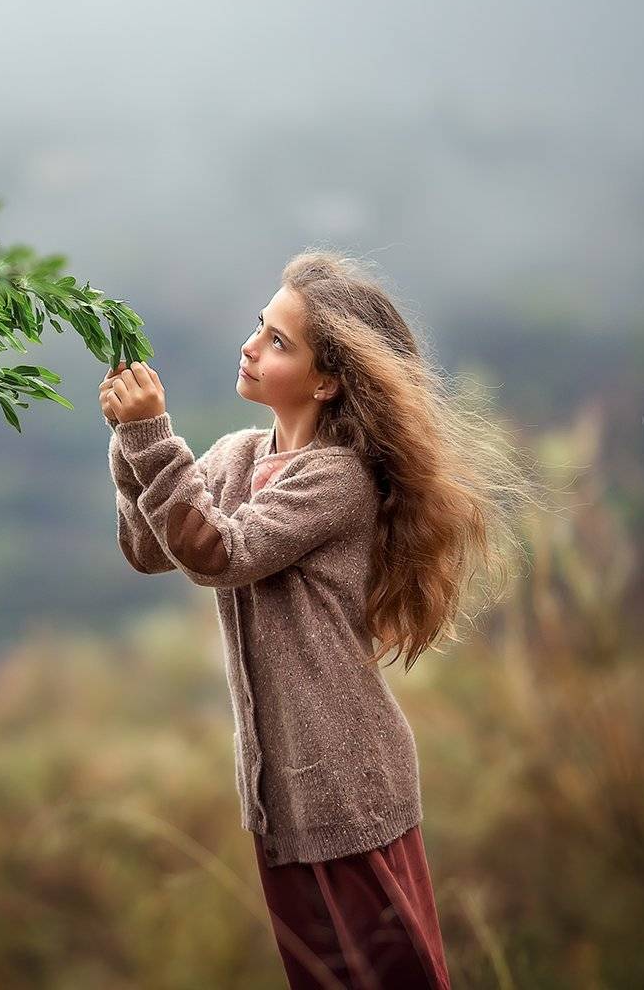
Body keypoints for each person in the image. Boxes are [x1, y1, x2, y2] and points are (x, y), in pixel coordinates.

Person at [101, 248, 542, 989]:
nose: (251, 344)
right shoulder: (239, 457)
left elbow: (218, 552)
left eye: (279, 340)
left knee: (394, 978)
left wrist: (152, 438)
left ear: (329, 378)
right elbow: (151, 547)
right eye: (258, 325)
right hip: (282, 801)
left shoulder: (337, 479)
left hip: (347, 786)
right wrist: (130, 441)